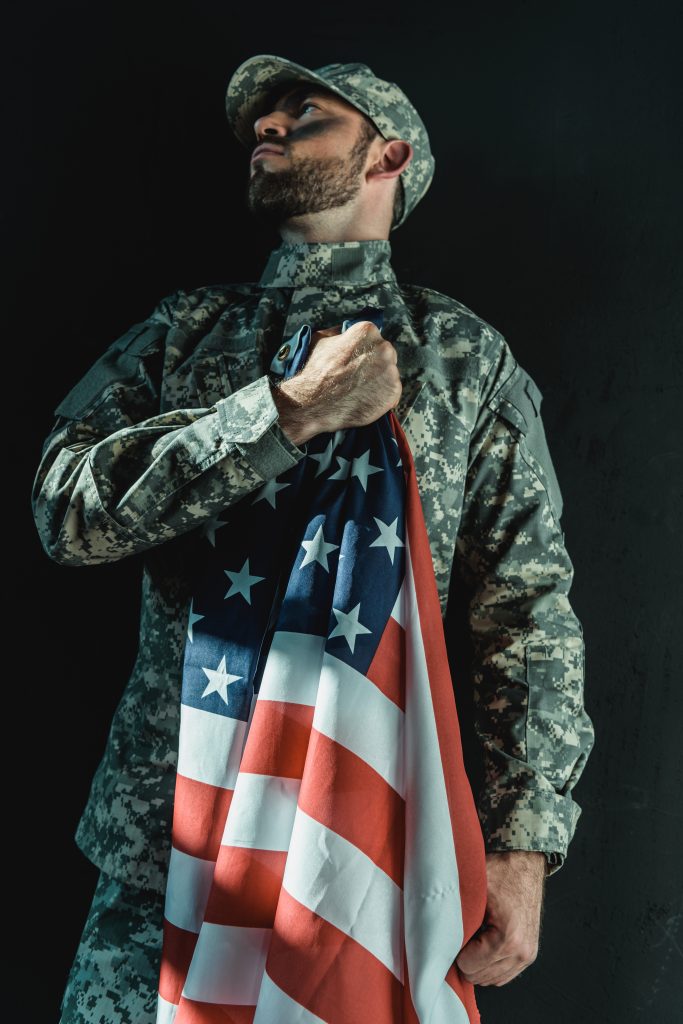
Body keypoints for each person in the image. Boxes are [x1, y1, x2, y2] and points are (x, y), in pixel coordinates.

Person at [32, 54, 595, 1022]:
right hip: (164, 844)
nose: (267, 129)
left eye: (305, 114)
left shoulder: (459, 357)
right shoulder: (184, 333)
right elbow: (67, 510)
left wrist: (521, 844)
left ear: (390, 153)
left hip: (371, 846)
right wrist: (281, 413)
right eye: (259, 120)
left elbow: (525, 610)